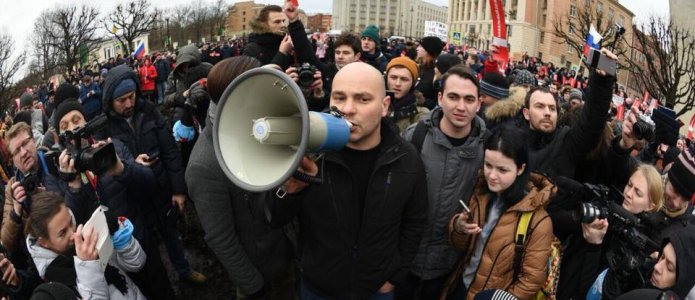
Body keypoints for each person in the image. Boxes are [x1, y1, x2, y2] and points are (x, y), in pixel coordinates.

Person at [272, 62, 428, 299]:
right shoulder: (310, 153)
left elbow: (415, 221)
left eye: (363, 99)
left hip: (377, 290)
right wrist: (291, 192)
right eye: (339, 97)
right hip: (318, 287)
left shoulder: (406, 158)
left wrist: (393, 275)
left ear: (385, 106)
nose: (348, 109)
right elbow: (273, 218)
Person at [187, 57, 296, 300]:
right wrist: (253, 286)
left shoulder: (256, 123)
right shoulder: (204, 165)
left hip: (286, 254)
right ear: (239, 94)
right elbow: (220, 238)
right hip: (261, 276)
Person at [101, 65, 206, 295]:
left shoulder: (150, 112)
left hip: (161, 189)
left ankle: (184, 269)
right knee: (149, 247)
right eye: (121, 100)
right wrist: (132, 167)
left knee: (171, 234)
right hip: (136, 202)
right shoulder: (106, 130)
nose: (128, 104)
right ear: (110, 102)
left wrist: (178, 189)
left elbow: (170, 151)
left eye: (131, 96)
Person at [398, 66, 486, 300]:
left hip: (448, 267)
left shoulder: (486, 150)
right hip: (403, 260)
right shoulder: (414, 136)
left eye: (469, 99)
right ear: (440, 98)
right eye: (453, 97)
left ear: (479, 103)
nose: (461, 106)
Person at [442, 127, 554, 299]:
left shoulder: (538, 221)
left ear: (520, 169)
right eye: (488, 165)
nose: (492, 175)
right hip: (459, 287)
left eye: (502, 170)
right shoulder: (480, 194)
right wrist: (459, 227)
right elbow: (460, 246)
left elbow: (531, 280)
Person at [25, 191, 146, 299]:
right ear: (44, 243)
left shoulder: (85, 235)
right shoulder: (55, 287)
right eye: (62, 233)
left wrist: (119, 234)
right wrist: (88, 266)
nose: (73, 234)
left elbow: (137, 263)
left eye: (70, 222)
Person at [581, 164, 665, 299]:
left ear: (650, 206)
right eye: (629, 185)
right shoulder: (608, 208)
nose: (628, 193)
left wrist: (594, 246)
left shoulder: (643, 248)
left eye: (638, 193)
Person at [385, 56, 428, 133]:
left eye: (404, 79)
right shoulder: (373, 103)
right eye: (393, 77)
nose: (398, 84)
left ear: (413, 83)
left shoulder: (421, 114)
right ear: (386, 78)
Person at [244, 5, 293, 69]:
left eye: (283, 21)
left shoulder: (286, 43)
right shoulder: (252, 49)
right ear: (264, 25)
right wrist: (282, 53)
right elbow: (257, 78)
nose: (283, 25)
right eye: (277, 22)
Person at [417, 36, 444, 110]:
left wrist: (424, 101)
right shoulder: (418, 67)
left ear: (428, 50)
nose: (417, 48)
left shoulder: (437, 73)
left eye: (420, 46)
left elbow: (439, 103)